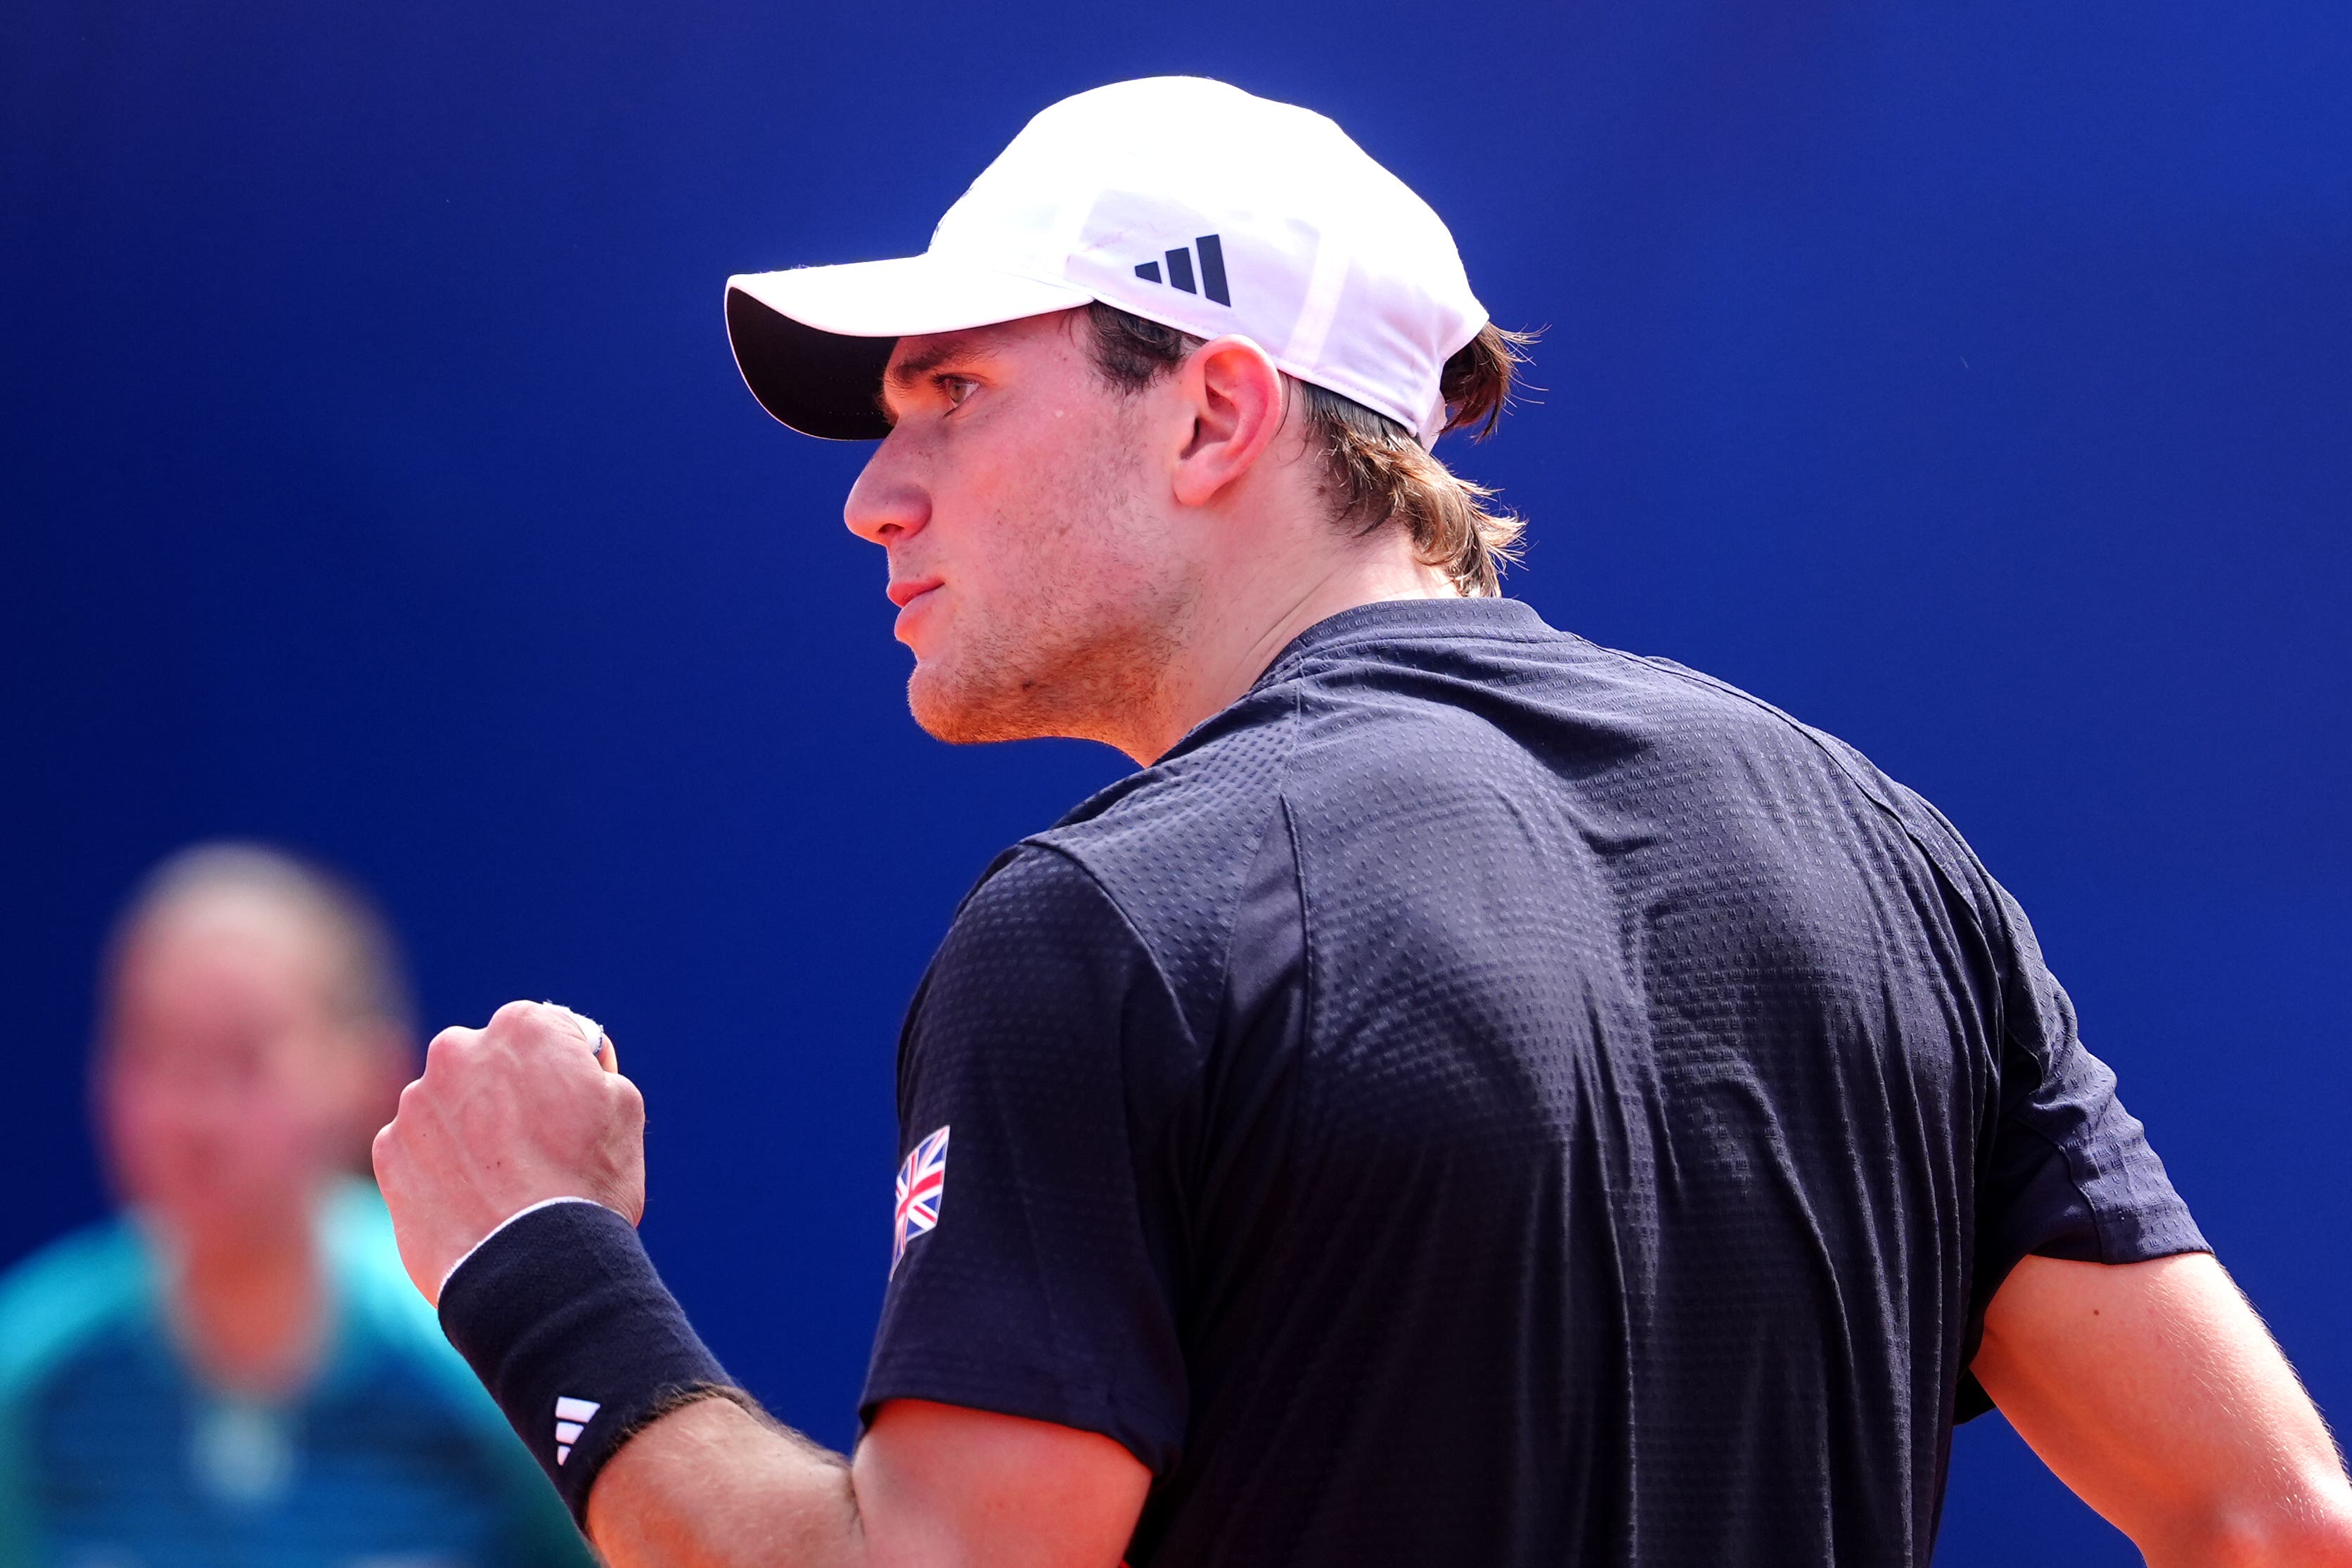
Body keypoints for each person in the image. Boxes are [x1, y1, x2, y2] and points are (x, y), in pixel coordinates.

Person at [371, 77, 2352, 1567]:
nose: (874, 494)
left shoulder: (1111, 925)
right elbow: (2272, 1517)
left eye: (952, 392)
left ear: (1219, 412)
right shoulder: (1891, 861)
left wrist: (543, 1267)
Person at [0, 844, 593, 1568]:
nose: (189, 1114)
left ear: (370, 1076)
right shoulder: (31, 1367)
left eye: (241, 1057)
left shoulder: (486, 1365)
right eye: (151, 1050)